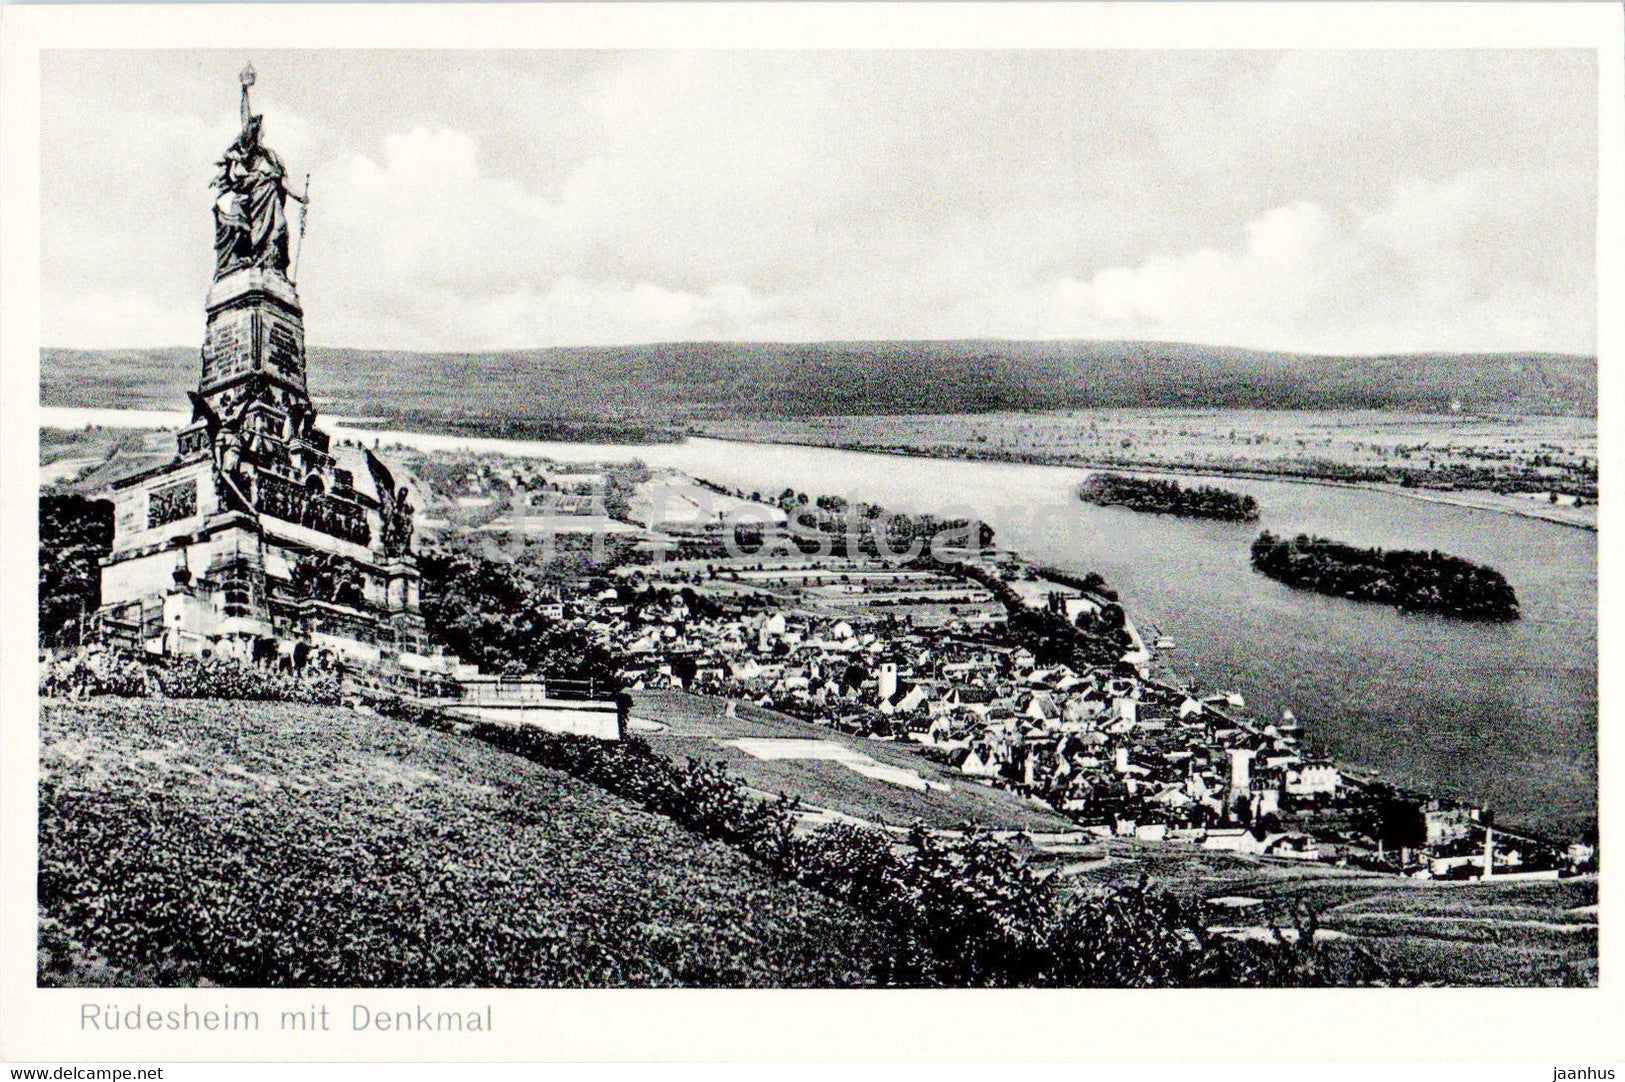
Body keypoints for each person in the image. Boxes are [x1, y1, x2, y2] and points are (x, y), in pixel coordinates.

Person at [212, 69, 304, 278]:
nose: (263, 129)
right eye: (260, 126)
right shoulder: (252, 151)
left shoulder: (272, 157)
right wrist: (245, 90)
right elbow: (245, 118)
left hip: (272, 200)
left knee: (280, 227)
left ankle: (273, 268)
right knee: (259, 233)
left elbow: (284, 181)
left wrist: (300, 197)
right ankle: (259, 263)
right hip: (257, 199)